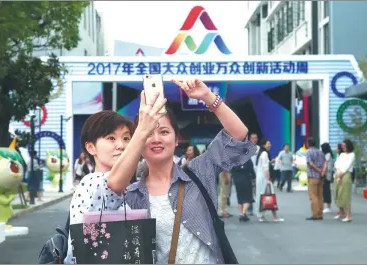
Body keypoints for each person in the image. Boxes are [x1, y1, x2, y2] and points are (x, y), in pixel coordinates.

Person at [68, 79, 256, 264]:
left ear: (176, 139)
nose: (156, 139)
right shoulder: (128, 196)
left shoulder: (199, 172)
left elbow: (239, 136)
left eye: (164, 132)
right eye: (149, 133)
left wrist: (208, 97)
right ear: (138, 142)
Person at [64, 110, 136, 264]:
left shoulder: (134, 188)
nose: (121, 145)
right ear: (91, 148)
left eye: (126, 138)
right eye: (111, 138)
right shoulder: (91, 183)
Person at [255, 139, 284, 222]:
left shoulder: (262, 153)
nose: (270, 145)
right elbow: (266, 168)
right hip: (264, 177)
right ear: (264, 145)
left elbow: (264, 164)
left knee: (261, 195)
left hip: (260, 177)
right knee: (270, 195)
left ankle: (261, 216)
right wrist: (268, 179)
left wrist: (272, 161)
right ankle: (274, 217)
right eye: (268, 144)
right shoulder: (264, 154)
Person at [333, 139, 355, 222]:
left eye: (344, 146)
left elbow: (347, 166)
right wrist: (338, 172)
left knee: (345, 194)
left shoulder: (352, 155)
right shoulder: (341, 154)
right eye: (342, 146)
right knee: (337, 193)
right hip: (338, 173)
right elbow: (336, 164)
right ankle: (341, 212)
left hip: (345, 174)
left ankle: (348, 215)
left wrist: (340, 175)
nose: (343, 147)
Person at [305, 138, 327, 221]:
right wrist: (323, 172)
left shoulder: (308, 152)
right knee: (320, 196)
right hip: (320, 177)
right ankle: (320, 213)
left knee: (313, 196)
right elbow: (325, 162)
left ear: (308, 144)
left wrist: (318, 170)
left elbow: (310, 163)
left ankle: (315, 214)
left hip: (312, 176)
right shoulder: (320, 152)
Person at [321, 143, 334, 214]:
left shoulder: (327, 155)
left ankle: (328, 207)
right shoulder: (329, 154)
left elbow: (326, 166)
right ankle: (327, 206)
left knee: (326, 191)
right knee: (325, 191)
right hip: (327, 175)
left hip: (326, 175)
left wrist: (322, 172)